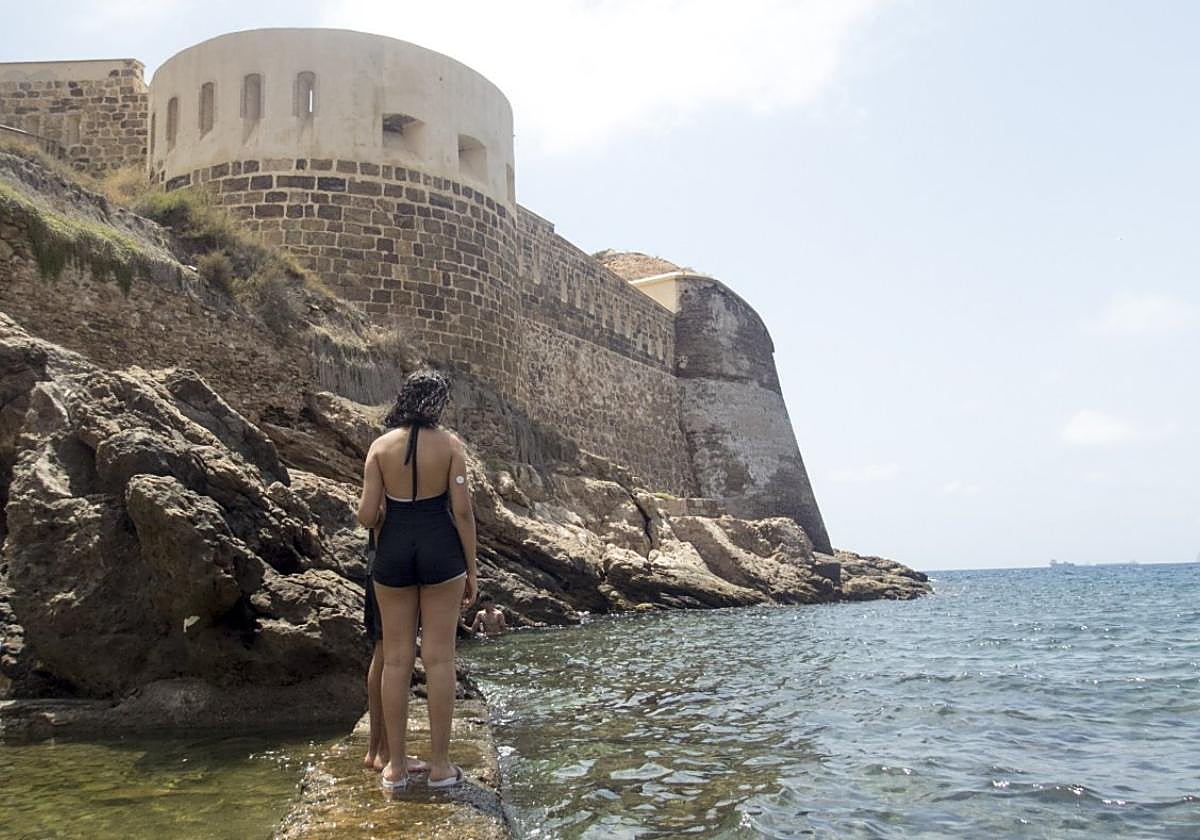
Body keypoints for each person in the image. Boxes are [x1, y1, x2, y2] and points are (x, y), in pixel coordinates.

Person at [357, 369, 478, 792]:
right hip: (441, 549)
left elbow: (367, 515)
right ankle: (442, 766)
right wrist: (472, 569)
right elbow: (461, 511)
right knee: (440, 657)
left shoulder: (379, 446)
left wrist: (387, 513)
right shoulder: (450, 447)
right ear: (438, 404)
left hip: (392, 553)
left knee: (395, 658)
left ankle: (394, 769)